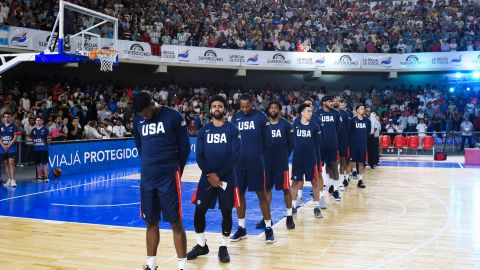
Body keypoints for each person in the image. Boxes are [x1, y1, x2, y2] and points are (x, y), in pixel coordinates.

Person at [132, 92, 191, 270]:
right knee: (150, 221)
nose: (144, 116)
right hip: (148, 177)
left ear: (153, 104)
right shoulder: (138, 120)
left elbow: (185, 149)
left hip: (169, 176)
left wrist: (174, 170)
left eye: (146, 112)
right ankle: (151, 265)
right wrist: (151, 164)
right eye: (141, 114)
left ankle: (182, 267)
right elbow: (140, 146)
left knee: (175, 221)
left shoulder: (174, 116)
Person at [187, 95, 241, 263]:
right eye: (214, 106)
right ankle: (201, 245)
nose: (217, 109)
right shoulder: (204, 130)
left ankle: (223, 247)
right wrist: (210, 174)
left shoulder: (232, 129)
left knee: (226, 211)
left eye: (220, 106)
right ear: (210, 110)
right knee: (199, 211)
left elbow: (235, 156)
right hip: (207, 177)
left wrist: (219, 175)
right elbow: (200, 156)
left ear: (225, 109)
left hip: (227, 178)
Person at [230, 94, 274, 243]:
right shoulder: (236, 118)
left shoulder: (261, 117)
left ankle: (268, 227)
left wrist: (258, 154)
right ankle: (241, 228)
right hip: (239, 165)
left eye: (247, 106)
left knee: (261, 194)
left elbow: (268, 141)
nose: (244, 109)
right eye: (242, 106)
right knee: (239, 195)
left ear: (252, 104)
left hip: (256, 163)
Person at [261, 100, 295, 229]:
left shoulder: (286, 125)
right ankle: (266, 217)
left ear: (279, 110)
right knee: (266, 190)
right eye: (271, 108)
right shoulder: (264, 125)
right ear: (268, 110)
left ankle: (289, 216)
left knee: (286, 189)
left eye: (276, 107)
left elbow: (291, 144)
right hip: (266, 163)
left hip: (281, 163)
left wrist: (284, 156)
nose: (273, 109)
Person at [293, 98, 325, 210]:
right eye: (308, 111)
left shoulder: (315, 125)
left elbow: (318, 142)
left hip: (311, 157)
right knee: (296, 181)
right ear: (302, 112)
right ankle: (294, 205)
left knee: (315, 181)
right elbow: (291, 140)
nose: (311, 113)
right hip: (298, 158)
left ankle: (318, 204)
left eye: (311, 110)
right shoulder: (295, 124)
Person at [315, 96, 342, 201]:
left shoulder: (336, 113)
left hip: (332, 144)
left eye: (332, 101)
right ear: (323, 102)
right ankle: (320, 191)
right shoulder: (317, 114)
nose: (331, 103)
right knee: (319, 168)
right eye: (329, 101)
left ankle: (335, 190)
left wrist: (331, 136)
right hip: (320, 145)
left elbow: (337, 128)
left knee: (334, 167)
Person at [348, 104, 371, 188]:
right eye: (361, 109)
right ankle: (347, 177)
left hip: (362, 145)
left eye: (363, 109)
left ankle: (360, 181)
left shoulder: (367, 121)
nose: (363, 110)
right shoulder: (352, 120)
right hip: (353, 144)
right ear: (357, 110)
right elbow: (349, 132)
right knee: (351, 161)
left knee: (361, 163)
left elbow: (368, 132)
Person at [1, 111, 21, 187]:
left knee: (11, 163)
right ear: (3, 118)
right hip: (3, 148)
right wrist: (3, 145)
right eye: (5, 117)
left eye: (8, 117)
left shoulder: (14, 126)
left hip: (11, 147)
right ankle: (9, 179)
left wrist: (8, 145)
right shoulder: (1, 127)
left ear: (11, 117)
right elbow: (0, 138)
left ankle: (13, 180)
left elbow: (15, 138)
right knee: (6, 164)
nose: (6, 118)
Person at [336, 98, 352, 190]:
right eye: (339, 103)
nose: (340, 105)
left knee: (343, 159)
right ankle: (332, 182)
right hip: (334, 140)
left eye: (342, 104)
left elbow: (348, 128)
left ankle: (343, 179)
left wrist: (346, 139)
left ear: (345, 104)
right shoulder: (332, 113)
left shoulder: (346, 114)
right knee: (334, 162)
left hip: (344, 140)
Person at [30, 116, 51, 182]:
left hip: (44, 149)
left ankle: (46, 177)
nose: (38, 121)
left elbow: (48, 140)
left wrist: (49, 140)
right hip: (36, 149)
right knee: (37, 163)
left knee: (45, 163)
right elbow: (33, 139)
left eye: (39, 120)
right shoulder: (33, 130)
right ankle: (39, 177)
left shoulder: (46, 129)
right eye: (36, 120)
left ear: (42, 121)